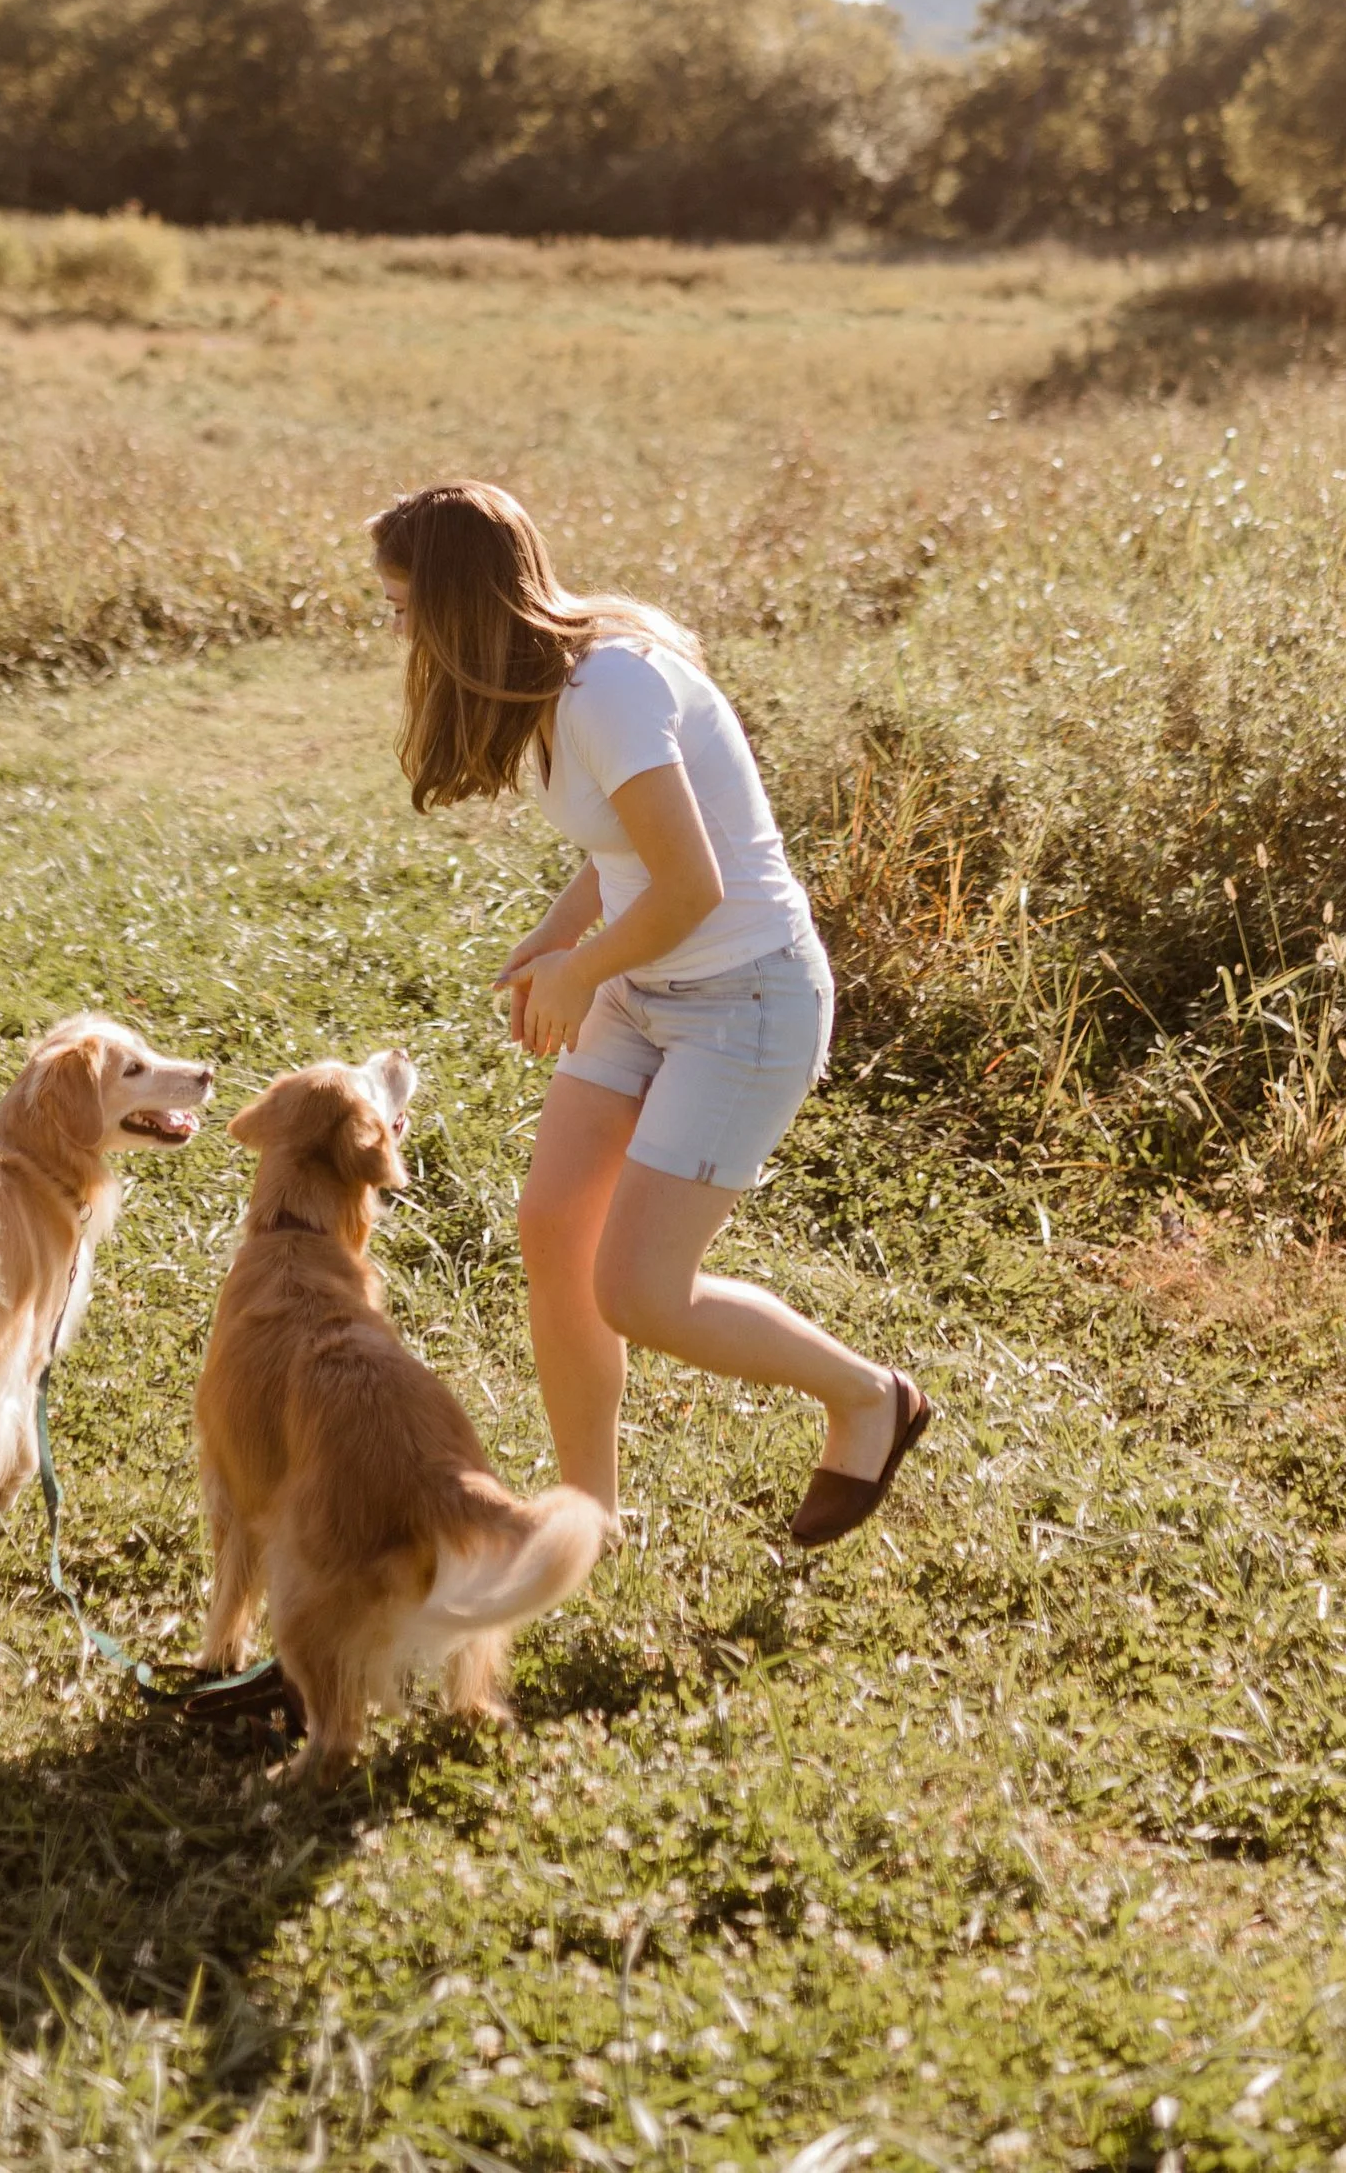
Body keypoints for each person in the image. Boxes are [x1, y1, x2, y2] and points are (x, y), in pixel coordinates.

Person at [366, 479, 929, 1543]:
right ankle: (589, 1513)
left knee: (640, 1293)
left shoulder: (608, 686)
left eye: (401, 606)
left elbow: (692, 886)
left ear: (454, 604)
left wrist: (581, 972)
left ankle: (868, 1397)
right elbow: (624, 847)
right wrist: (556, 936)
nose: (393, 629)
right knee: (551, 1231)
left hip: (744, 999)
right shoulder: (547, 684)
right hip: (643, 979)